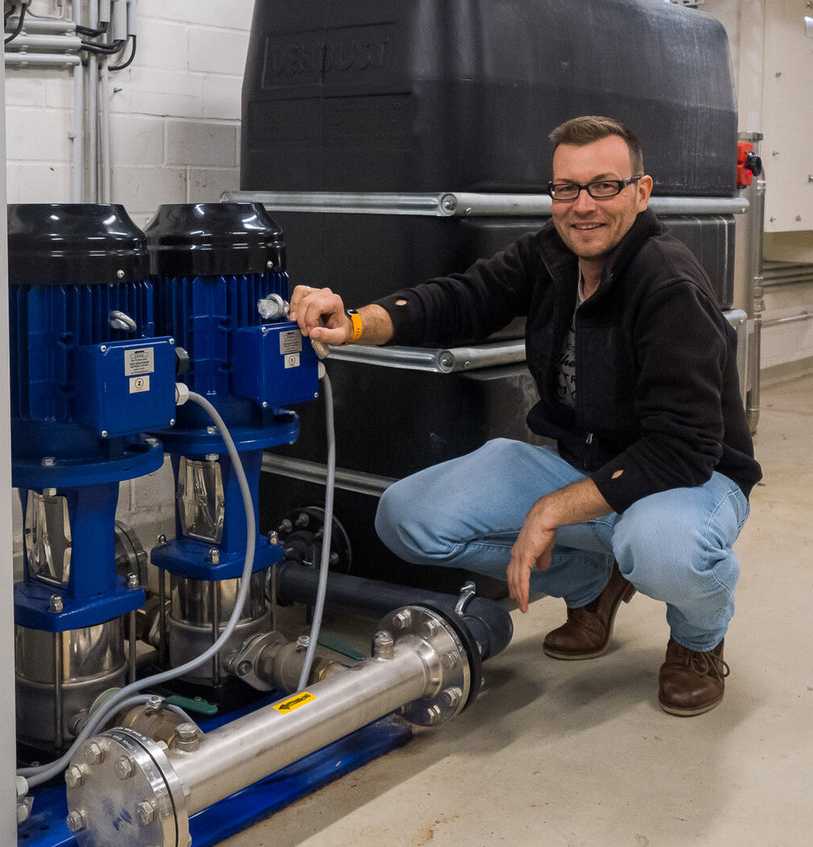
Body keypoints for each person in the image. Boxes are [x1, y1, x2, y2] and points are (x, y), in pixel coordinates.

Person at [287, 116, 761, 716]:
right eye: (567, 188)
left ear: (642, 192)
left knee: (659, 544)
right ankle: (594, 585)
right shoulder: (551, 255)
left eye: (604, 186)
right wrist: (353, 323)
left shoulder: (668, 284)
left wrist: (552, 509)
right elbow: (462, 299)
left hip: (692, 481)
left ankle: (698, 639)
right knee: (408, 518)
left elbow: (684, 448)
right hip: (586, 465)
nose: (582, 206)